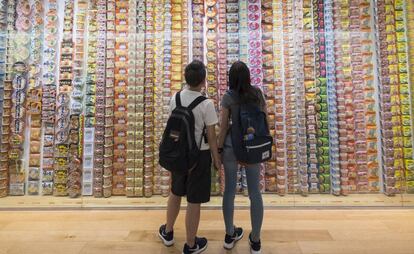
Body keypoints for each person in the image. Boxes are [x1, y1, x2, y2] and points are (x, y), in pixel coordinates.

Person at [158, 60, 221, 254]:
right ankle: (191, 244)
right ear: (203, 81)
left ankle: (168, 232)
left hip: (178, 155)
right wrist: (216, 159)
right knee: (194, 200)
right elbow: (211, 136)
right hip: (199, 157)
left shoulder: (175, 98)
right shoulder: (206, 104)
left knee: (175, 192)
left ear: (186, 78)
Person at [217, 61, 266, 254]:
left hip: (231, 146)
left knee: (229, 191)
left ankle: (230, 234)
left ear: (230, 78)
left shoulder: (228, 97)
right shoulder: (257, 94)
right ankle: (255, 239)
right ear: (248, 77)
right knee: (255, 192)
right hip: (253, 146)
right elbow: (265, 121)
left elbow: (222, 127)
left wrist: (219, 150)